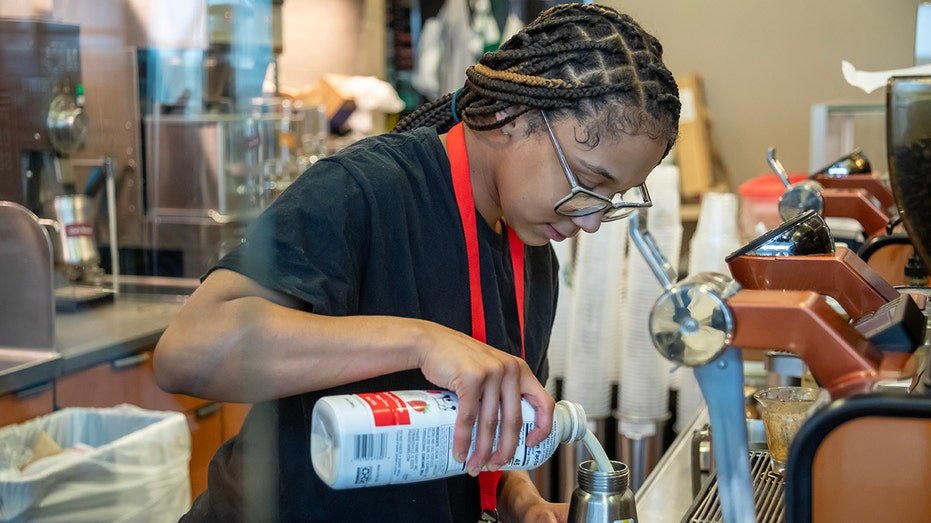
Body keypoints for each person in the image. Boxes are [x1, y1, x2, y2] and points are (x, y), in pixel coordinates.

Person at [154, 3, 680, 522]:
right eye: (587, 183)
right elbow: (188, 351)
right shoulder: (367, 190)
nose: (589, 220)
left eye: (610, 200)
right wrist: (422, 341)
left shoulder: (532, 243)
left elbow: (472, 421)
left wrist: (520, 501)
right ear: (509, 116)